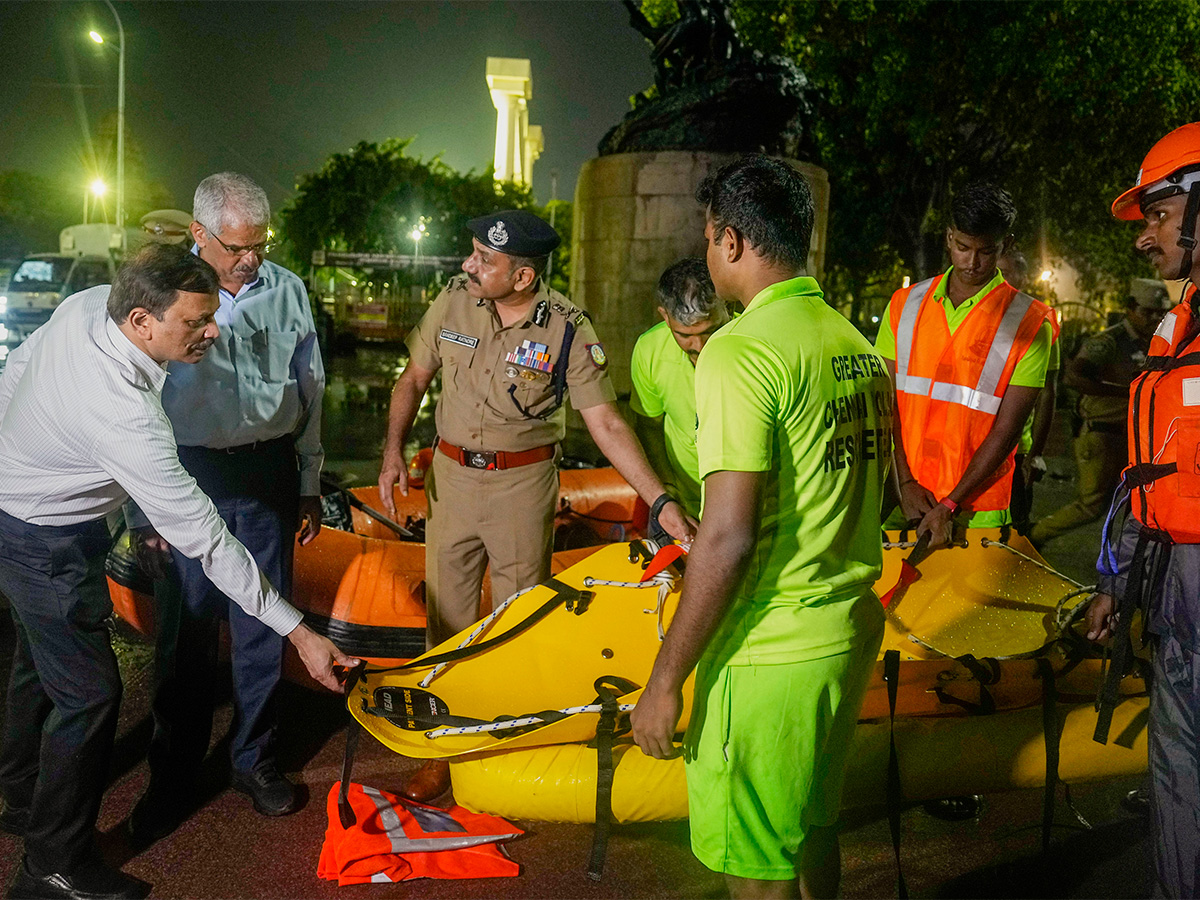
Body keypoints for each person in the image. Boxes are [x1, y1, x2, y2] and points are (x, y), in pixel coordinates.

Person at [0, 244, 355, 900]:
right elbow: (212, 546)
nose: (213, 332)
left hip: (32, 513)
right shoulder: (127, 417)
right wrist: (301, 633)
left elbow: (16, 371)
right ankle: (49, 867)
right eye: (196, 323)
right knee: (89, 693)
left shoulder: (84, 309)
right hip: (41, 540)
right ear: (142, 320)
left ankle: (19, 798)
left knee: (38, 664)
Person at [631, 156, 889, 899]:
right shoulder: (852, 345)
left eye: (709, 237)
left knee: (758, 874)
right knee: (812, 833)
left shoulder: (739, 353)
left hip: (770, 653)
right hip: (845, 632)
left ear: (732, 241)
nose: (708, 253)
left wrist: (665, 680)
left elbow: (728, 536)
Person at [378, 209, 696, 803]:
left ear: (522, 277)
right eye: (473, 252)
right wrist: (393, 450)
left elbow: (604, 421)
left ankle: (511, 743)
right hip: (448, 478)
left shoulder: (569, 328)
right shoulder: (454, 301)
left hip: (521, 488)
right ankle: (443, 748)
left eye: (484, 259)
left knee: (521, 620)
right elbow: (413, 377)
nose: (469, 265)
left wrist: (659, 499)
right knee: (444, 621)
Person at [131, 173, 327, 835]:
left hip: (268, 471)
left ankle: (254, 760)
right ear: (198, 234)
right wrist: (139, 513)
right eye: (236, 245)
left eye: (260, 245)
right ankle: (175, 770)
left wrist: (308, 481)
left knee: (263, 630)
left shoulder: (290, 291)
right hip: (189, 475)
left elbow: (312, 390)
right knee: (185, 636)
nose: (250, 259)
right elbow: (131, 404)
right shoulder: (162, 296)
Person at [1086, 120, 1200, 900]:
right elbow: (1149, 470)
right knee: (1179, 777)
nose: (1143, 236)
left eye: (1156, 213)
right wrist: (1115, 580)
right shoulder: (1177, 325)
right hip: (1174, 589)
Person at [877, 182, 1054, 547]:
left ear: (1006, 245)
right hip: (905, 499)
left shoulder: (1032, 323)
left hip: (977, 512)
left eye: (985, 251)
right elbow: (886, 404)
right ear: (948, 237)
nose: (971, 263)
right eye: (962, 247)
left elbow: (1008, 432)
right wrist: (905, 484)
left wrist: (950, 503)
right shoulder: (903, 305)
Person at [1030, 284, 1170, 547]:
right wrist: (1126, 393)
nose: (1154, 319)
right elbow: (1074, 377)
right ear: (1130, 308)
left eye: (1159, 313)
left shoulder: (1154, 341)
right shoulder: (1109, 341)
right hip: (1101, 433)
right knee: (1091, 506)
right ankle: (1033, 536)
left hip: (1129, 436)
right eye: (1148, 312)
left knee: (1134, 505)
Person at [630, 257, 730, 518]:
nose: (699, 346)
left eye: (711, 330)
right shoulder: (648, 350)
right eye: (685, 335)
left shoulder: (753, 342)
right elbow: (649, 426)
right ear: (664, 316)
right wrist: (667, 490)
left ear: (726, 307)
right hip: (686, 503)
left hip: (752, 506)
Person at [998, 248, 1060, 536]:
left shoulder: (1037, 322)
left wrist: (1035, 454)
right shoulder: (975, 318)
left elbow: (1047, 393)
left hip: (1016, 451)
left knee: (1014, 528)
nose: (998, 279)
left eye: (1006, 272)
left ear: (1023, 278)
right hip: (967, 446)